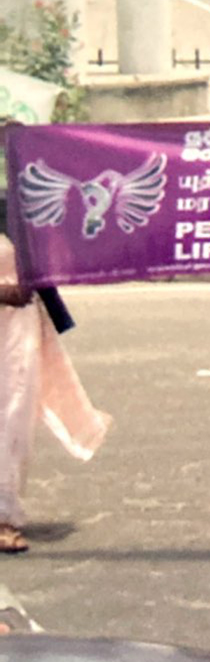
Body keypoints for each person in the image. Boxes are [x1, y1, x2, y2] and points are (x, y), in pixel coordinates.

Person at [1, 232, 111, 553]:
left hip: (15, 330)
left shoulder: (19, 203)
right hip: (9, 306)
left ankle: (2, 516)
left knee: (11, 415)